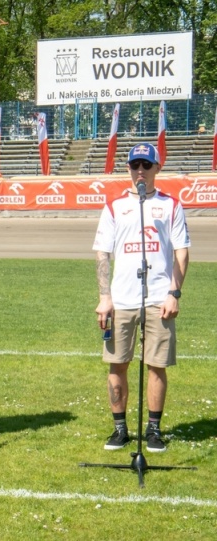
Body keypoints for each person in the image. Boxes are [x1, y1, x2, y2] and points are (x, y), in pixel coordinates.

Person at [93, 143, 190, 453]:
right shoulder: (114, 207)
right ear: (128, 169)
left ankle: (153, 430)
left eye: (146, 165)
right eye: (135, 165)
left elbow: (181, 251)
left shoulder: (171, 205)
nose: (140, 171)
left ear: (157, 169)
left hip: (159, 298)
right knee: (116, 364)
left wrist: (174, 292)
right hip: (121, 300)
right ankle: (120, 430)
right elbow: (102, 253)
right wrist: (104, 297)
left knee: (156, 365)